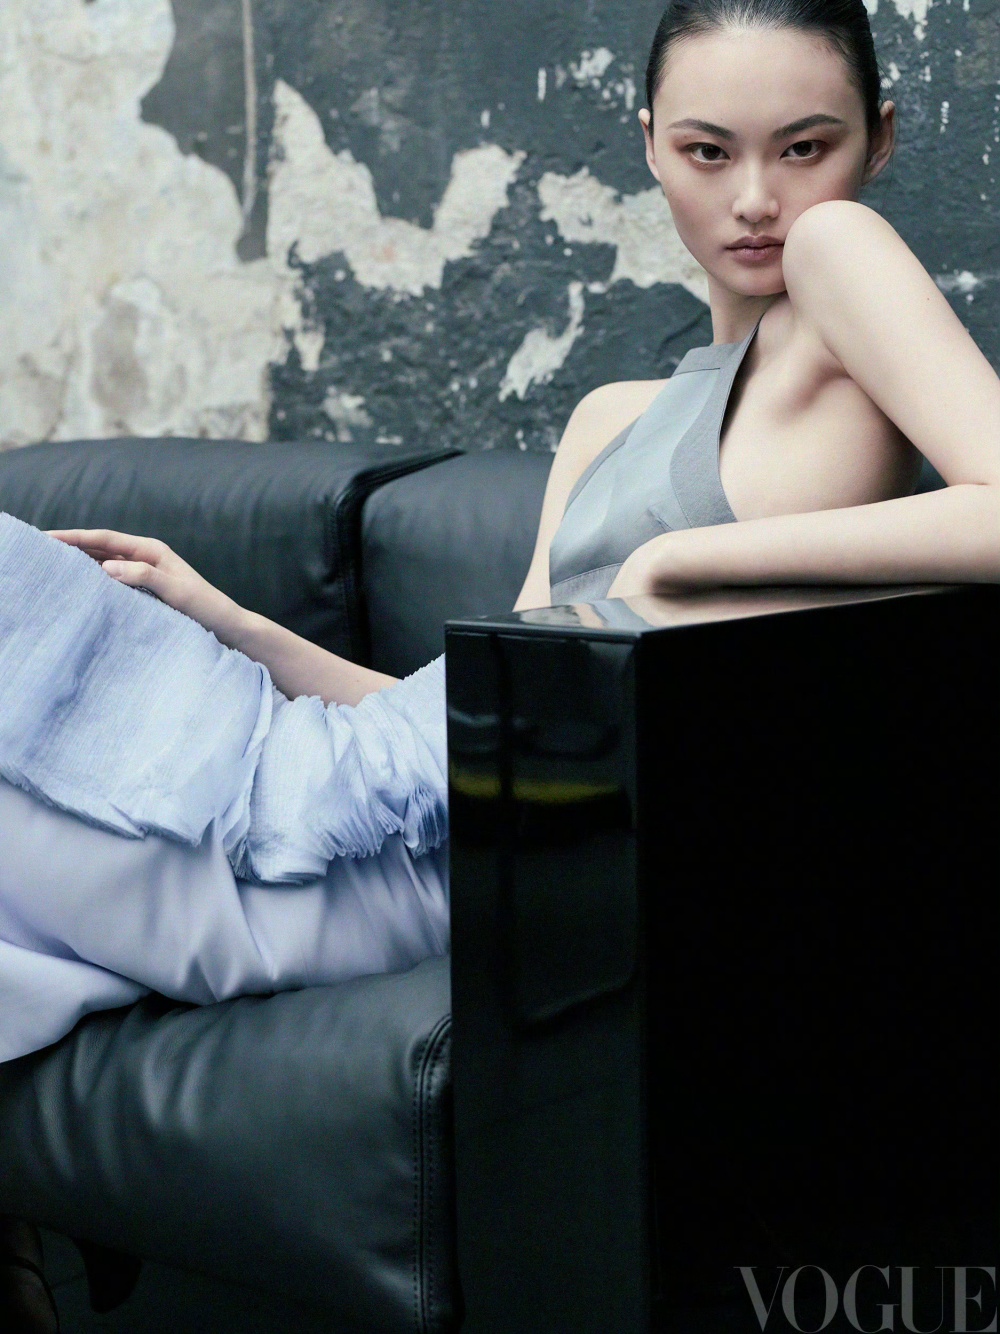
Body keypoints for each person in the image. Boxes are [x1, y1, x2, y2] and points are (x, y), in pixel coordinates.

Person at [3, 0, 999, 1325]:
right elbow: (479, 715)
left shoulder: (839, 254)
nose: (759, 199)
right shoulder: (610, 415)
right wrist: (224, 618)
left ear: (880, 139)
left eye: (805, 147)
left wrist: (684, 567)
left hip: (473, 866)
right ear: (649, 146)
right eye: (707, 151)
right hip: (397, 788)